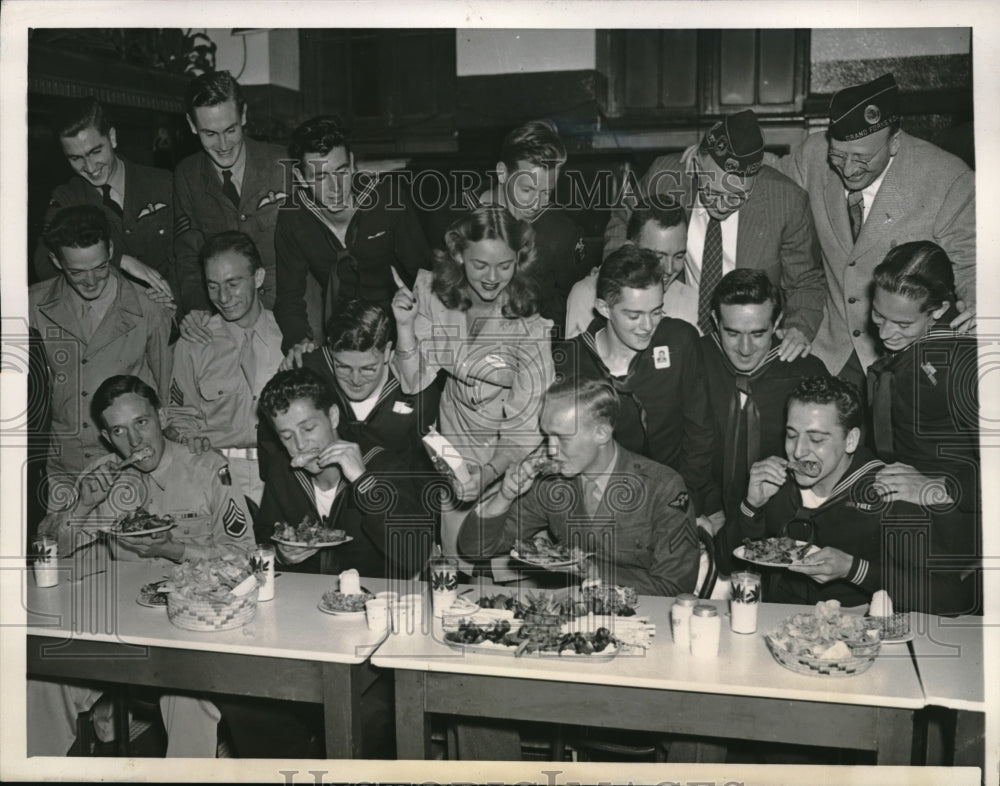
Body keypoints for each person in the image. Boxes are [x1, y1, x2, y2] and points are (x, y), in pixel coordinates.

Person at [29, 374, 255, 758]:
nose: (134, 442)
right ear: (105, 437)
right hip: (121, 628)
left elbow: (247, 557)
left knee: (185, 697)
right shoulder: (102, 476)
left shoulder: (207, 467)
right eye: (119, 431)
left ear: (162, 416)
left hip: (191, 626)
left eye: (142, 423)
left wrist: (173, 549)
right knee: (41, 683)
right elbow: (48, 552)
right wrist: (83, 505)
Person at [776, 73, 976, 391]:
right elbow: (770, 174)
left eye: (862, 158)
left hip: (906, 359)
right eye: (839, 156)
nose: (849, 169)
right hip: (830, 349)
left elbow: (972, 261)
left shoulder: (948, 178)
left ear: (894, 142)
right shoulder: (814, 154)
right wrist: (701, 161)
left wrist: (982, 299)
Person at [721, 375, 971, 612]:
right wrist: (751, 506)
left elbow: (951, 597)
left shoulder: (888, 490)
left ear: (850, 440)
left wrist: (854, 569)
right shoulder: (777, 481)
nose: (797, 451)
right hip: (780, 623)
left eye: (816, 439)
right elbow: (725, 564)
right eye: (791, 435)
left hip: (861, 631)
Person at [391, 206, 555, 566]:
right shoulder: (434, 297)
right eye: (480, 265)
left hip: (512, 471)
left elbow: (526, 428)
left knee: (508, 588)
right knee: (457, 585)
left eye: (505, 265)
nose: (493, 278)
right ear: (459, 254)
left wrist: (489, 474)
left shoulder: (530, 325)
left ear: (519, 260)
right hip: (457, 466)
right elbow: (412, 379)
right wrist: (404, 327)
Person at [603, 109, 825, 358]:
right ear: (698, 165)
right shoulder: (666, 177)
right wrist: (618, 270)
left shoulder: (787, 202)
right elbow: (622, 218)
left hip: (747, 344)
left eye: (737, 196)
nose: (721, 205)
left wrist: (799, 327)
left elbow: (806, 281)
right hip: (675, 329)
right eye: (712, 192)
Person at [459, 376, 700, 597]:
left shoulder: (662, 487)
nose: (551, 449)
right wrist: (505, 495)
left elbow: (675, 587)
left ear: (602, 433)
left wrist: (592, 571)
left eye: (562, 438)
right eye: (547, 435)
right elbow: (475, 549)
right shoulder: (553, 482)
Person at [554, 244, 719, 522]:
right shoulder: (569, 362)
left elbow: (700, 433)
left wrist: (680, 501)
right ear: (604, 308)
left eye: (656, 312)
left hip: (674, 499)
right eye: (634, 316)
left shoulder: (680, 341)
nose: (647, 326)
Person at [29, 205, 173, 508]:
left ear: (110, 250)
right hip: (63, 472)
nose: (91, 281)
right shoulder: (32, 305)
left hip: (131, 469)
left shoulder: (149, 307)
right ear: (56, 261)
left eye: (100, 267)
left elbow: (167, 392)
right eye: (77, 272)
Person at [866, 241, 979, 612]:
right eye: (878, 316)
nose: (885, 334)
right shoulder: (913, 351)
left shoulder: (964, 364)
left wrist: (942, 485)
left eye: (902, 323)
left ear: (941, 309)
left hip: (951, 547)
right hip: (905, 529)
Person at [255, 367, 433, 578]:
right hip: (304, 600)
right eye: (286, 436)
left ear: (333, 416)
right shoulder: (281, 470)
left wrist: (363, 481)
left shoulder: (382, 464)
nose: (300, 445)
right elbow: (264, 542)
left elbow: (416, 556)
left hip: (376, 599)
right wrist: (280, 556)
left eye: (309, 428)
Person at [273, 115, 432, 352]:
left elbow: (424, 272)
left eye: (341, 171)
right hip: (340, 332)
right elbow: (289, 296)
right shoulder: (292, 218)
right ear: (300, 178)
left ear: (352, 163)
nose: (335, 188)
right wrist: (298, 340)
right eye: (321, 177)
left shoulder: (387, 198)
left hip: (400, 322)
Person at [700, 269, 828, 545]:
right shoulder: (695, 363)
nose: (745, 348)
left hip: (782, 524)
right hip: (707, 514)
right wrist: (709, 507)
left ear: (778, 321)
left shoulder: (805, 370)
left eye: (758, 334)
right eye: (732, 333)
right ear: (714, 320)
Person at [428, 120, 586, 333]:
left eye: (546, 192)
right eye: (527, 190)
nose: (537, 204)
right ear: (502, 173)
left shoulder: (561, 233)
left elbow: (568, 303)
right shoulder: (451, 215)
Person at [162, 231, 285, 503]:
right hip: (217, 474)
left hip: (281, 472)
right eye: (213, 285)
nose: (223, 297)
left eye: (233, 283)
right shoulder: (195, 343)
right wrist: (189, 440)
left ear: (259, 278)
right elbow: (179, 417)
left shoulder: (288, 337)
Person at [32, 96, 177, 302]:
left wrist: (175, 300)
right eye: (76, 158)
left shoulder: (164, 183)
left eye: (95, 152)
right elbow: (44, 264)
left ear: (112, 137)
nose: (90, 168)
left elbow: (190, 254)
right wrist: (117, 260)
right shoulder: (66, 199)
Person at [172, 70, 288, 318]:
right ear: (192, 126)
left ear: (243, 115)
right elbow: (189, 257)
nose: (223, 146)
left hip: (289, 310)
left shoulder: (283, 163)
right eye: (210, 134)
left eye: (230, 130)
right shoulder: (187, 175)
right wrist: (198, 311)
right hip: (227, 318)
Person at [297, 299, 442, 475]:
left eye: (368, 368)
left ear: (388, 351)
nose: (355, 380)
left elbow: (425, 477)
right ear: (330, 349)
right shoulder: (309, 373)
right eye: (343, 367)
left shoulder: (419, 393)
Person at [566, 202, 694, 337]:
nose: (669, 269)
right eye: (658, 257)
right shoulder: (587, 295)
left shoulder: (689, 302)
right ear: (629, 249)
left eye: (679, 256)